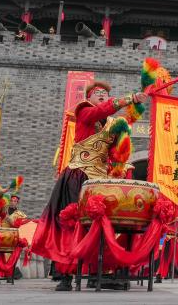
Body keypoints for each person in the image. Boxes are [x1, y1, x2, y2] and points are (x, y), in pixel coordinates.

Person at [31, 79, 147, 292]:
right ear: (89, 98)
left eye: (104, 92)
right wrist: (129, 98)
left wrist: (139, 103)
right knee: (72, 222)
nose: (102, 94)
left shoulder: (111, 123)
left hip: (98, 180)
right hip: (78, 175)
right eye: (98, 92)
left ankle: (97, 273)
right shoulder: (84, 111)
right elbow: (103, 110)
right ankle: (65, 274)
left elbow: (124, 125)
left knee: (99, 225)